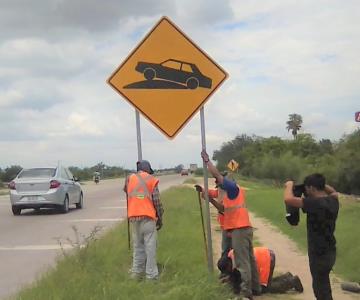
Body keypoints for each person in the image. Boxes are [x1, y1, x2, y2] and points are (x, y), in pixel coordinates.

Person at [201, 150, 260, 299]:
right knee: (249, 259)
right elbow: (223, 210)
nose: (218, 185)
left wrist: (207, 161)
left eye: (220, 183)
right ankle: (255, 287)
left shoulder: (233, 189)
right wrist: (210, 200)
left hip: (240, 229)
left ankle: (246, 293)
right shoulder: (229, 194)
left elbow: (217, 176)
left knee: (242, 261)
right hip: (239, 228)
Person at [284, 173, 339, 300]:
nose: (306, 191)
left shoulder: (314, 203)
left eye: (307, 188)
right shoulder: (333, 200)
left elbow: (288, 199)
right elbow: (333, 191)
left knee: (320, 289)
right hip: (330, 250)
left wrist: (289, 185)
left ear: (312, 188)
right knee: (324, 284)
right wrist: (320, 184)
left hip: (318, 253)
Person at [124, 160, 164, 280]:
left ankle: (137, 273)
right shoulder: (151, 179)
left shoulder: (130, 178)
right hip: (148, 218)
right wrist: (160, 218)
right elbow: (157, 201)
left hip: (134, 217)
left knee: (138, 247)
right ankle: (151, 276)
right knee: (150, 247)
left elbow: (127, 191)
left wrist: (138, 195)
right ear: (148, 169)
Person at [218, 246, 304, 295]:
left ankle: (292, 282)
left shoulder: (239, 261)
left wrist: (235, 289)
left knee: (265, 288)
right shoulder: (231, 255)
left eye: (227, 271)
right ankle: (287, 277)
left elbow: (244, 279)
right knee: (266, 282)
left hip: (266, 259)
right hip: (266, 254)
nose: (228, 273)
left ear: (228, 265)